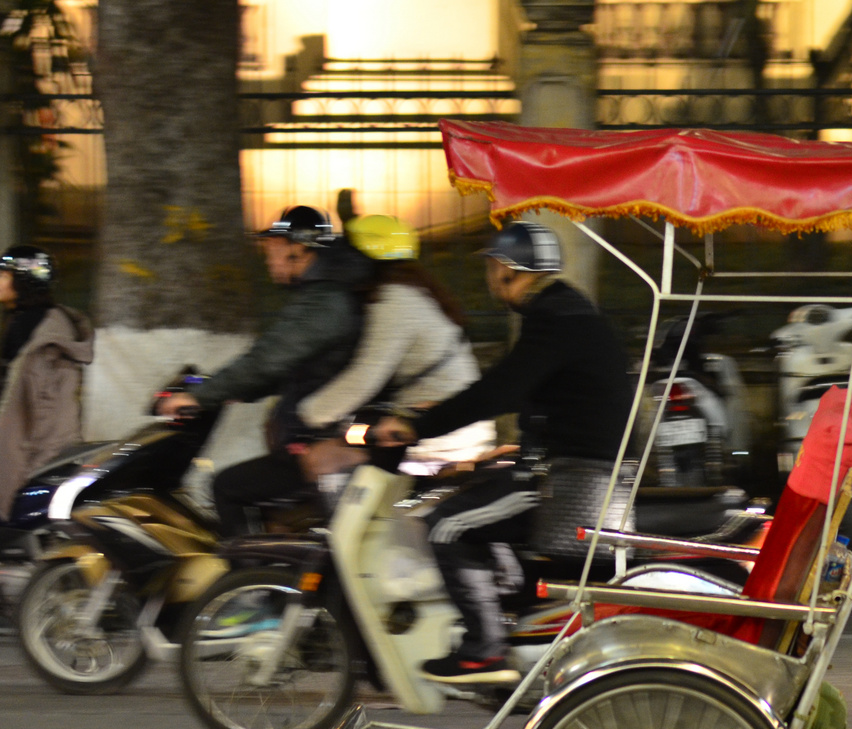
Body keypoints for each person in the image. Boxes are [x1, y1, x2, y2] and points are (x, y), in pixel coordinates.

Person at [374, 221, 634, 685]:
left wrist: (416, 425)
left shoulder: (552, 319)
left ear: (509, 271)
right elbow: (546, 395)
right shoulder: (567, 311)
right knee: (475, 490)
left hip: (569, 481)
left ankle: (483, 649)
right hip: (568, 466)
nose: (489, 277)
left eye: (492, 266)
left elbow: (499, 391)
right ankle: (512, 611)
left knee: (446, 525)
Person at [156, 205, 372, 535]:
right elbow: (285, 367)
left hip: (318, 443)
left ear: (298, 250)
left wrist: (200, 397)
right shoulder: (323, 294)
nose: (268, 258)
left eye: (273, 249)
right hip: (311, 436)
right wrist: (225, 390)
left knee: (228, 488)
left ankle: (248, 580)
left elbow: (268, 360)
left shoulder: (325, 302)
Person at [294, 214, 480, 478]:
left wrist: (310, 413)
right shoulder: (413, 290)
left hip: (437, 434)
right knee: (351, 437)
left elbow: (366, 375)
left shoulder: (395, 301)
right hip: (440, 421)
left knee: (325, 458)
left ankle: (356, 519)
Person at [0, 246, 94, 521]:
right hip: (58, 436)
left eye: (4, 275)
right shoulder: (47, 318)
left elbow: (22, 403)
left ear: (23, 281)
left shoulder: (30, 326)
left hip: (37, 442)